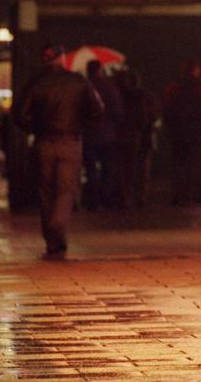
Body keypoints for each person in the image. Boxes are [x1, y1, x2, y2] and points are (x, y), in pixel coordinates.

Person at [14, 44, 103, 260]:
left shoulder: (35, 83)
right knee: (66, 189)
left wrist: (35, 128)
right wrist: (82, 124)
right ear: (62, 58)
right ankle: (58, 225)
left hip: (44, 142)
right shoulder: (78, 82)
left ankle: (53, 242)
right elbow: (97, 109)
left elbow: (20, 115)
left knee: (46, 191)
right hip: (70, 141)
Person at [163, 59, 201, 206]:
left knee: (178, 164)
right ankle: (189, 195)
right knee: (193, 164)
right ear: (196, 71)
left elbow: (167, 109)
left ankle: (177, 195)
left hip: (177, 132)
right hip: (195, 132)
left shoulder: (174, 88)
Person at [83, 59, 125, 209]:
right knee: (108, 168)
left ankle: (93, 200)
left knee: (90, 169)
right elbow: (118, 110)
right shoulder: (109, 86)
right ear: (100, 69)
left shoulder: (83, 86)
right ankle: (105, 196)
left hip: (88, 134)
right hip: (107, 133)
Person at [115, 66, 156, 208]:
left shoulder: (121, 96)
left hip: (124, 136)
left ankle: (125, 197)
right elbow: (150, 116)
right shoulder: (145, 96)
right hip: (142, 137)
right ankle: (140, 198)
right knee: (142, 170)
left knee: (126, 168)